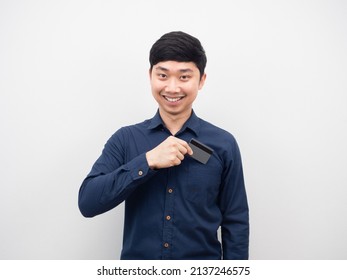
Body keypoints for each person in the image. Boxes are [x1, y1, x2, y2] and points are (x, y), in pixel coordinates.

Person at [78, 31, 249, 260]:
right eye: (163, 75)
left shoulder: (223, 144)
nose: (172, 88)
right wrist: (146, 162)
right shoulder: (125, 139)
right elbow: (88, 202)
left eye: (184, 77)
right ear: (150, 76)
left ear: (201, 80)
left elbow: (235, 221)